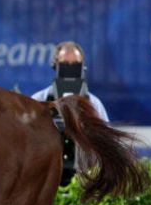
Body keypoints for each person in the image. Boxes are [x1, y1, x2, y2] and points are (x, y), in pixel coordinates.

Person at [32, 42, 108, 185]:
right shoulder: (38, 101)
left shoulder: (94, 105)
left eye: (75, 64)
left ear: (82, 67)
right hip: (45, 181)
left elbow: (106, 146)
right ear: (55, 66)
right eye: (65, 64)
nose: (70, 68)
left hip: (83, 181)